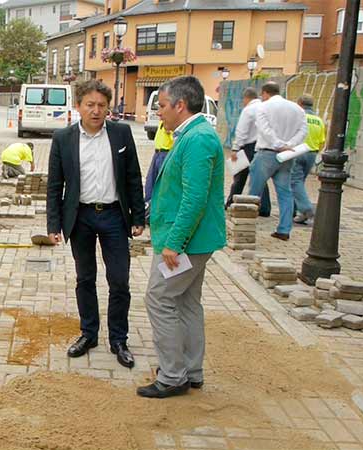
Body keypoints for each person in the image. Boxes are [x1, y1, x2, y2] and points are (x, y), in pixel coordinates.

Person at [137, 75, 226, 399]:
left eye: (161, 105)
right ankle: (191, 370)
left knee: (159, 298)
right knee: (186, 301)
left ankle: (173, 375)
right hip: (195, 241)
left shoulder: (198, 138)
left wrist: (174, 243)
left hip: (187, 243)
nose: (158, 112)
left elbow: (194, 198)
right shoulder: (192, 134)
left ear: (180, 105)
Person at [46, 80, 145, 368]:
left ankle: (118, 338)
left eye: (101, 105)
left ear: (108, 108)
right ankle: (88, 334)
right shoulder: (63, 138)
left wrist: (138, 217)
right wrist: (54, 224)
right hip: (81, 217)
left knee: (119, 279)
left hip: (114, 215)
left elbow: (133, 177)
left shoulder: (121, 133)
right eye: (90, 104)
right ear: (78, 106)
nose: (96, 110)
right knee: (85, 278)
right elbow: (55, 186)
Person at [248, 81, 308, 241]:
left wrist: (278, 145)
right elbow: (303, 130)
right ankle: (284, 229)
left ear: (265, 93)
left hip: (267, 153)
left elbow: (264, 129)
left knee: (254, 193)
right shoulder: (297, 108)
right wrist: (290, 145)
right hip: (287, 156)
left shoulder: (263, 107)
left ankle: (247, 227)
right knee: (285, 193)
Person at [225, 87, 270, 217]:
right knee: (259, 177)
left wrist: (235, 148)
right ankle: (264, 207)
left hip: (247, 146)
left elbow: (241, 131)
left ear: (246, 98)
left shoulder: (248, 110)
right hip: (261, 145)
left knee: (239, 176)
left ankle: (231, 201)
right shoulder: (265, 107)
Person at [292, 94, 326, 225]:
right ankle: (300, 213)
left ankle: (306, 209)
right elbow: (322, 140)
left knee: (294, 182)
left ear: (300, 103)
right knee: (300, 182)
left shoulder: (298, 117)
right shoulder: (319, 120)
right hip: (311, 153)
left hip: (298, 151)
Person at [144, 121, 173, 224]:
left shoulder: (171, 123)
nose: (158, 112)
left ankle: (157, 214)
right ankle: (148, 210)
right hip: (157, 153)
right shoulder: (162, 121)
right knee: (150, 183)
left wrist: (170, 132)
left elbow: (175, 139)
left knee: (161, 185)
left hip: (166, 153)